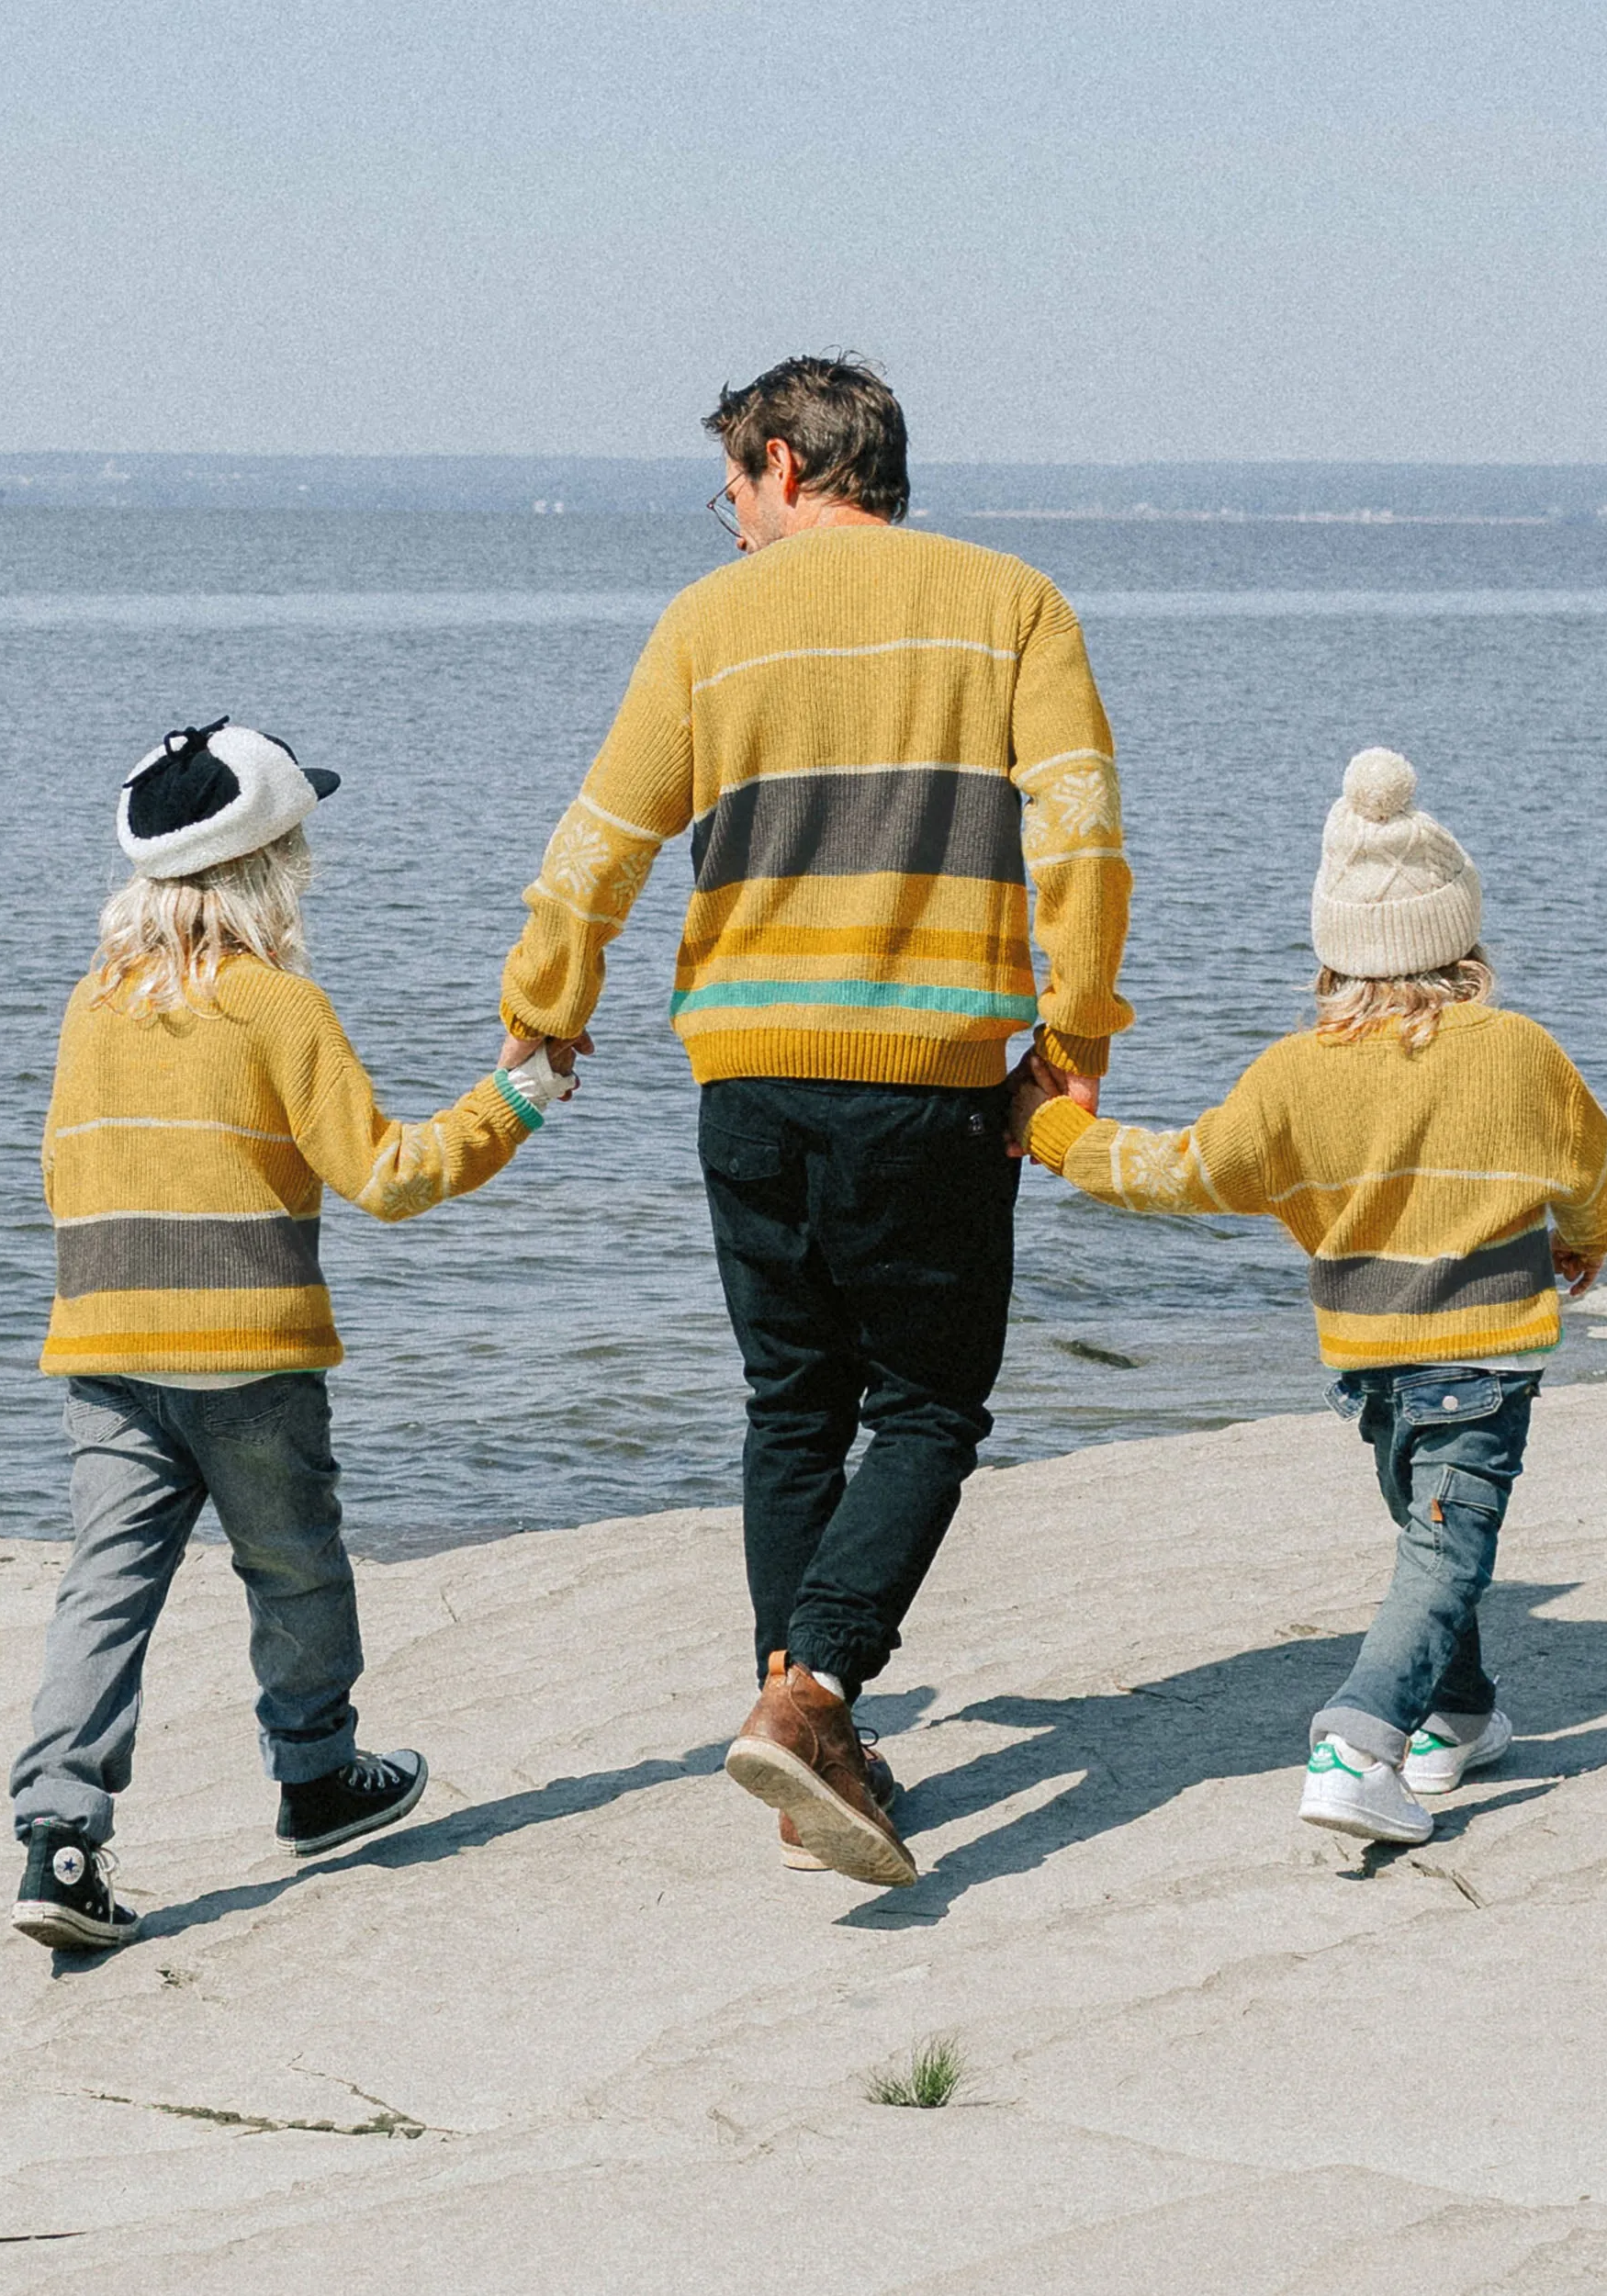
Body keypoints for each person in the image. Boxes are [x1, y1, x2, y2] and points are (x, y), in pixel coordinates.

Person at [497, 356, 1132, 1887]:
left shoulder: (707, 628)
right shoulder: (1015, 603)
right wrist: (1076, 1033)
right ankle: (818, 1693)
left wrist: (546, 1000)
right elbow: (1083, 838)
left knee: (793, 1403)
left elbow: (601, 839)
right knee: (927, 1402)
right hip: (927, 1076)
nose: (727, 526)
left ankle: (800, 1750)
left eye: (731, 491)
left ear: (785, 465)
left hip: (749, 1077)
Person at [10, 719, 573, 1952]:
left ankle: (60, 1838)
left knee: (106, 1588)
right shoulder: (278, 1007)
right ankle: (317, 1781)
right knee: (296, 1567)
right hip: (250, 1352)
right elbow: (389, 1175)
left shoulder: (90, 1004)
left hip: (103, 1347)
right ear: (271, 866)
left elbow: (64, 1170)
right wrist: (520, 1096)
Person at [1013, 748, 1607, 1846]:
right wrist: (1589, 1241)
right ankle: (1356, 1742)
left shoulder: (1290, 1075)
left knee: (1428, 1533)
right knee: (1444, 1545)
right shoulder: (1522, 1054)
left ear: (1332, 948)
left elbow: (1176, 1172)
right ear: (1463, 940)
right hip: (1480, 1355)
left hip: (1367, 1358)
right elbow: (1589, 1168)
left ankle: (1460, 1712)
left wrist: (1048, 1129)